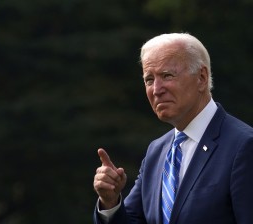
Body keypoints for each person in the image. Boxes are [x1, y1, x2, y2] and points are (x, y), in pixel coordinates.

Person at [93, 33, 253, 224]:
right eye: (149, 80)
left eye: (167, 75)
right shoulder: (157, 150)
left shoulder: (244, 146)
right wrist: (110, 202)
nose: (156, 89)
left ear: (201, 78)